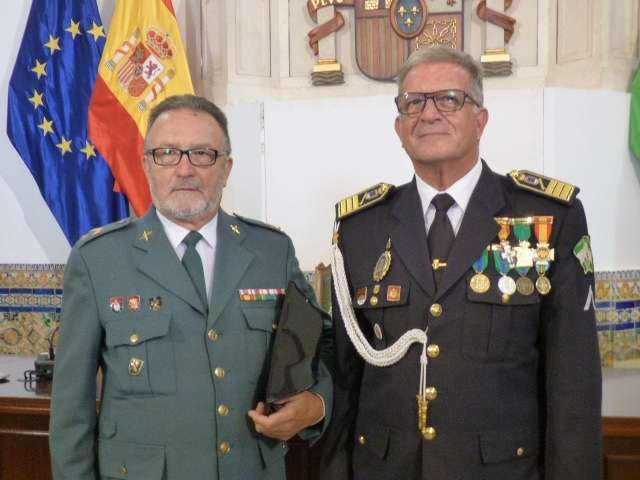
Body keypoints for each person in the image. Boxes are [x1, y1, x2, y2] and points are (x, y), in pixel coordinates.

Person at [320, 46, 601, 479]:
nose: (429, 114)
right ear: (399, 127)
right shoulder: (361, 228)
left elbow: (574, 379)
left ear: (480, 120)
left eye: (449, 99)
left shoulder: (549, 218)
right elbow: (345, 377)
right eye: (414, 102)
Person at [50, 94, 332, 479]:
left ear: (226, 168)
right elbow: (71, 412)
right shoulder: (98, 260)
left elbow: (319, 346)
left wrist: (316, 404)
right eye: (167, 153)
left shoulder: (272, 251)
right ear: (146, 165)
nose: (185, 170)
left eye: (202, 154)